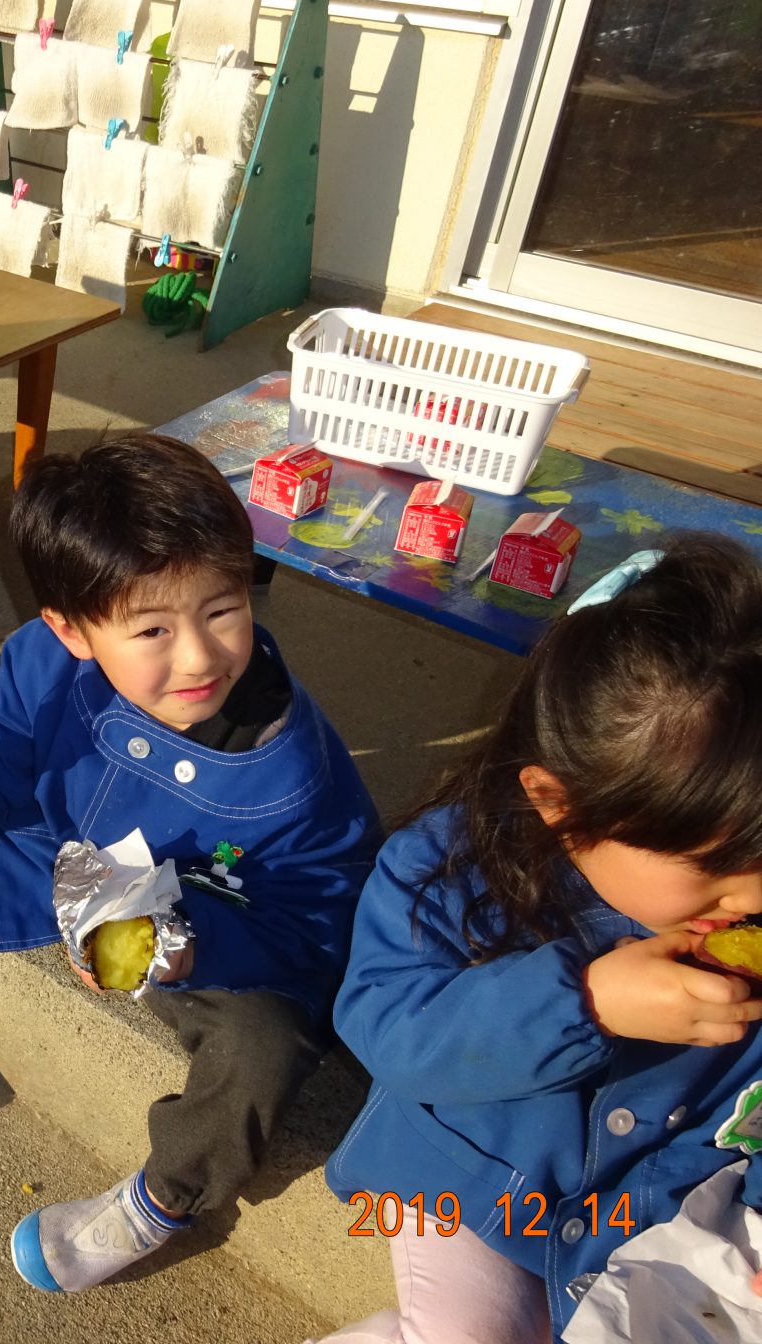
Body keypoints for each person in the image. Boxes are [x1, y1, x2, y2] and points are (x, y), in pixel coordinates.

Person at [0, 433, 381, 1292]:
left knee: (266, 1045)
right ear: (72, 630)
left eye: (222, 610)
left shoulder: (291, 774)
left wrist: (185, 948)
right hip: (61, 858)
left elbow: (318, 921)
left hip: (201, 929)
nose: (199, 656)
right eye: (153, 628)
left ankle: (165, 1197)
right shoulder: (44, 658)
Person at [317, 536, 762, 1344]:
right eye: (714, 865)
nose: (755, 895)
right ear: (560, 804)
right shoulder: (445, 871)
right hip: (466, 1183)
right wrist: (585, 1003)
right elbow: (392, 1034)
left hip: (649, 1201)